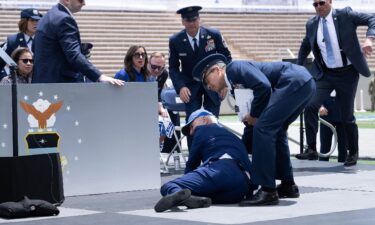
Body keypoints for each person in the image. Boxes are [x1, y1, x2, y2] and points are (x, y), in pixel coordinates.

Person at [192, 53, 315, 206]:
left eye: (206, 80)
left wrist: (255, 116)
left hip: (293, 81)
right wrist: (245, 143)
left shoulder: (234, 68)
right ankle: (288, 185)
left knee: (263, 129)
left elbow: (263, 86)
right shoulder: (233, 87)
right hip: (303, 82)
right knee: (276, 130)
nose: (207, 86)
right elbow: (252, 115)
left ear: (217, 70)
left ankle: (267, 191)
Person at [295, 0, 375, 167]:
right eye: (314, 4)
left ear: (330, 1)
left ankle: (352, 152)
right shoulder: (311, 24)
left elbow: (372, 19)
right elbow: (305, 46)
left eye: (321, 3)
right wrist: (296, 68)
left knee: (346, 116)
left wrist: (369, 40)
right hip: (325, 74)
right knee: (310, 105)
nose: (318, 7)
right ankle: (311, 148)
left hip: (347, 74)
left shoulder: (346, 14)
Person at [154, 109, 253, 213]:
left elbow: (192, 163)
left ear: (204, 120)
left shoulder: (202, 129)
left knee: (169, 186)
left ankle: (182, 197)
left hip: (221, 170)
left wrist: (186, 182)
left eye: (192, 126)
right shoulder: (235, 138)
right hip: (241, 187)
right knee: (204, 194)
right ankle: (189, 199)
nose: (191, 133)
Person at [168, 6, 232, 144]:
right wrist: (181, 87)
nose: (192, 24)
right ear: (183, 22)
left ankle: (213, 157)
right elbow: (173, 68)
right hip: (190, 88)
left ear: (199, 19)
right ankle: (194, 162)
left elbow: (227, 58)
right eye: (188, 20)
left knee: (212, 122)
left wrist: (224, 82)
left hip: (214, 86)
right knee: (192, 123)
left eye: (194, 19)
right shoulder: (175, 40)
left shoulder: (213, 34)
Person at [32, 0, 123, 85]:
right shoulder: (64, 19)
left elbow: (34, 47)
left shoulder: (47, 17)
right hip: (60, 85)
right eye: (80, 0)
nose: (84, 3)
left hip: (42, 81)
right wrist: (99, 76)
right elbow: (73, 54)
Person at [147, 52, 181, 152]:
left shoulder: (164, 74)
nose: (157, 70)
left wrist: (161, 109)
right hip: (140, 106)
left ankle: (158, 149)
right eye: (153, 67)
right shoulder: (141, 72)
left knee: (168, 118)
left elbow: (157, 94)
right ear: (148, 63)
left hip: (153, 104)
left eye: (160, 68)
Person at [0, 8, 42, 80]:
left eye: (37, 20)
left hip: (39, 82)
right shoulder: (13, 41)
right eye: (32, 20)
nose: (36, 23)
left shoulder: (43, 40)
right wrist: (3, 77)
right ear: (24, 22)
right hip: (19, 84)